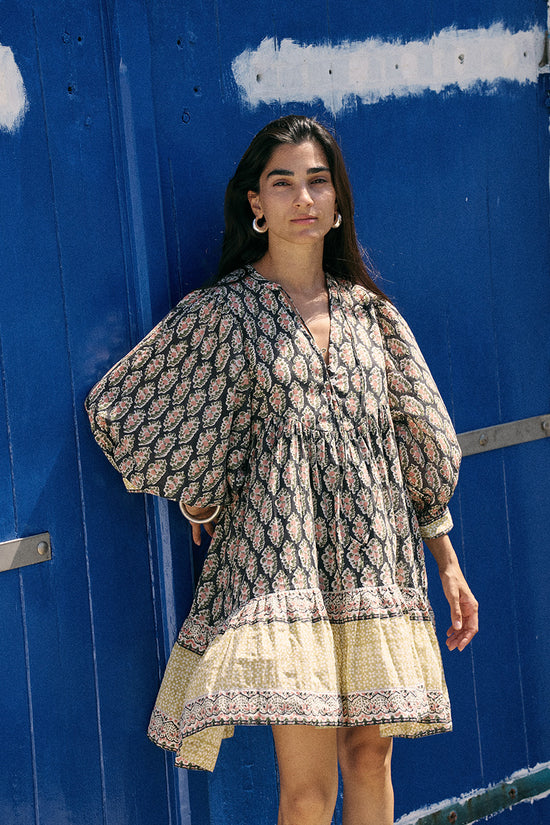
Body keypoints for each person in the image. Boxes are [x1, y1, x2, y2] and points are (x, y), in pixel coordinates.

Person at [85, 115, 478, 825]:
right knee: (306, 791)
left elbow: (414, 445)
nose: (303, 197)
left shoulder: (372, 317)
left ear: (337, 202)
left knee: (370, 758)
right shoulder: (225, 313)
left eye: (318, 182)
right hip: (283, 571)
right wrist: (202, 497)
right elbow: (128, 408)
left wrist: (447, 562)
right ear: (255, 204)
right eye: (283, 182)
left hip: (374, 563)